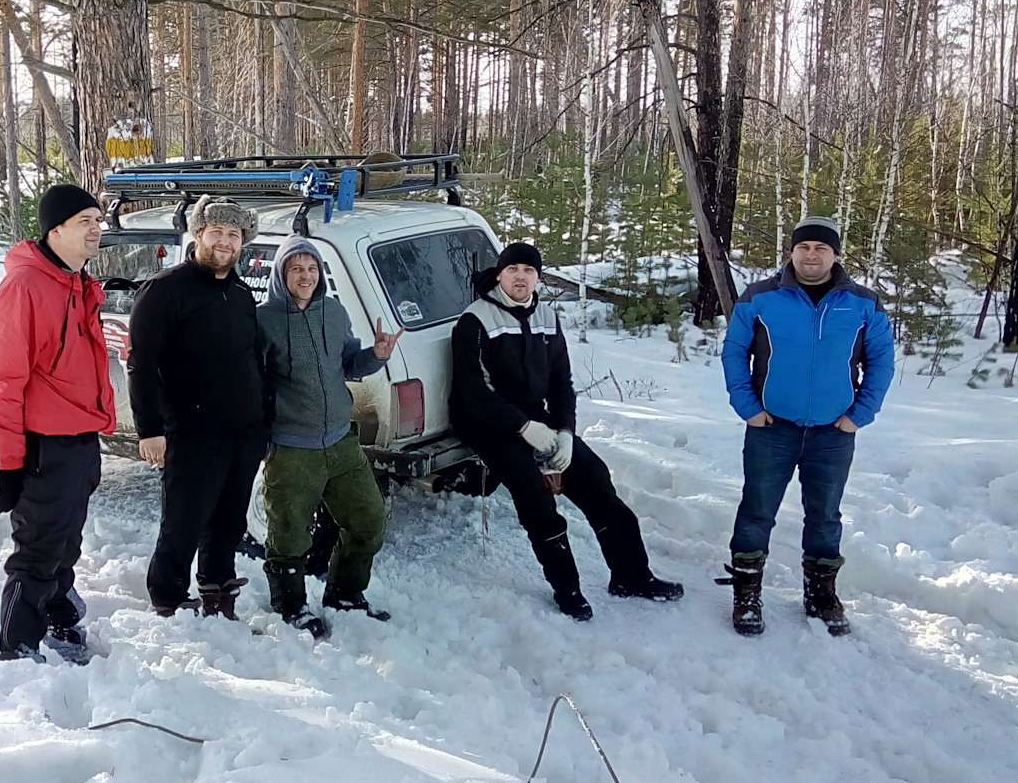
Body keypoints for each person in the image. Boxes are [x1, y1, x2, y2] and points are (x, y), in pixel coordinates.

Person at [449, 242, 684, 620]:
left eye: (528, 271)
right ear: (499, 276)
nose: (520, 277)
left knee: (595, 479)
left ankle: (632, 576)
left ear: (538, 278)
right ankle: (568, 589)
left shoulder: (545, 315)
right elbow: (475, 393)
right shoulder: (475, 321)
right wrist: (524, 428)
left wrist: (565, 433)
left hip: (537, 419)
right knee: (537, 498)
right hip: (488, 424)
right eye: (513, 270)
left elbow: (561, 380)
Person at [720, 217, 893, 637]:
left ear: (835, 255)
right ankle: (746, 594)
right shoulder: (760, 298)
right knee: (756, 511)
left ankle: (821, 593)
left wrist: (859, 414)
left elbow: (881, 362)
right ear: (792, 252)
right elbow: (734, 353)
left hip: (833, 432)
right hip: (771, 427)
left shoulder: (863, 302)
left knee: (825, 516)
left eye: (821, 248)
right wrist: (747, 406)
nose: (811, 255)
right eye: (804, 247)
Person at [0, 184, 117, 664]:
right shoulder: (25, 287)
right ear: (55, 230)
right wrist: (9, 461)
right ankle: (15, 650)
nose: (97, 229)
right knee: (37, 552)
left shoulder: (77, 282)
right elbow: (3, 380)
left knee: (65, 542)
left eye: (98, 220)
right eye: (85, 222)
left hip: (80, 439)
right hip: (44, 444)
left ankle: (60, 620)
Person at [256, 235, 404, 638]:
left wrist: (377, 355)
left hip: (341, 441)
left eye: (311, 268)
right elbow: (253, 386)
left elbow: (351, 364)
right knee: (288, 535)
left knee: (369, 521)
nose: (305, 276)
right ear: (281, 275)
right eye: (295, 268)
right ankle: (291, 607)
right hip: (291, 448)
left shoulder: (334, 312)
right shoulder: (263, 320)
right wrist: (261, 440)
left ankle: (345, 595)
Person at [129, 196, 267, 619]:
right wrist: (149, 429)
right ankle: (167, 598)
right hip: (191, 432)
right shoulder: (165, 291)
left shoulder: (241, 294)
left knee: (230, 518)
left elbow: (253, 359)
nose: (225, 242)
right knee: (185, 520)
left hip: (244, 431)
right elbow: (141, 364)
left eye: (233, 234)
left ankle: (217, 585)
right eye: (217, 232)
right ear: (198, 234)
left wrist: (263, 421)